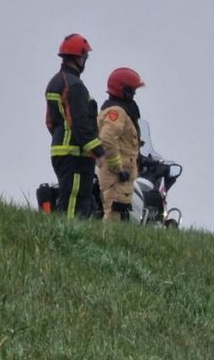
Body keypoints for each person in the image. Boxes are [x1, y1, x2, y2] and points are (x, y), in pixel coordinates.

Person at [45, 33, 105, 219]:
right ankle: (69, 242)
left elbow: (50, 121)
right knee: (75, 203)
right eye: (85, 56)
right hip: (75, 155)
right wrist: (99, 152)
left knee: (70, 198)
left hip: (61, 151)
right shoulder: (75, 86)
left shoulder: (55, 82)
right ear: (79, 57)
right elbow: (80, 123)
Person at [96, 68, 146, 222]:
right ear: (124, 90)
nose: (135, 94)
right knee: (113, 213)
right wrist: (118, 168)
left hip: (123, 175)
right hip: (116, 175)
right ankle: (106, 243)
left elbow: (125, 141)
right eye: (133, 90)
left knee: (121, 213)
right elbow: (107, 139)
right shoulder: (117, 111)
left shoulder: (123, 111)